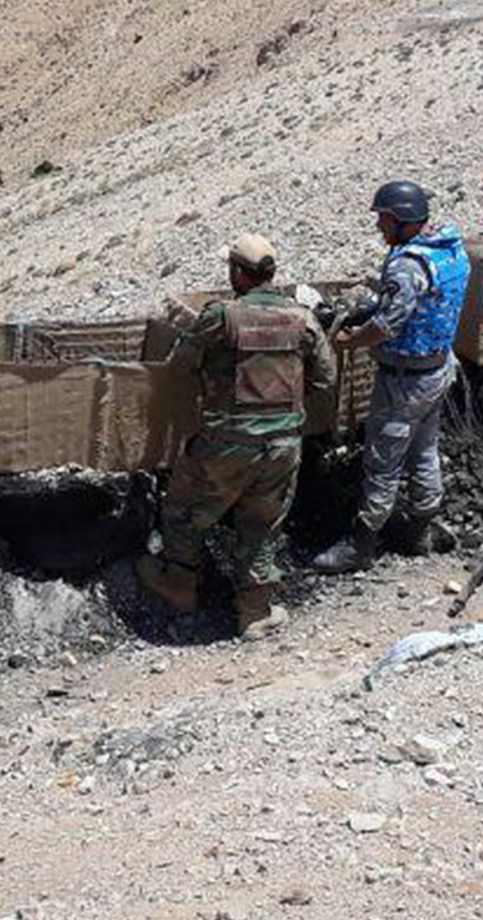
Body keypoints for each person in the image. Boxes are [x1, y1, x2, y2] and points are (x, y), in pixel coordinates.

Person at [139, 234, 336, 637]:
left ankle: (179, 583)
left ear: (236, 272)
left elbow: (180, 366)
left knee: (185, 508)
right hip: (283, 446)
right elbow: (327, 376)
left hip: (227, 443)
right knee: (262, 522)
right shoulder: (302, 318)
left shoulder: (222, 316)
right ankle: (255, 610)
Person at [313, 181, 471, 573]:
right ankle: (419, 530)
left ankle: (361, 544)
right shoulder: (452, 251)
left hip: (404, 380)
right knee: (424, 451)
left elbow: (388, 323)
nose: (380, 226)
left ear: (401, 220)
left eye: (384, 218)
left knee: (383, 461)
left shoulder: (407, 264)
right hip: (438, 369)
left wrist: (352, 342)